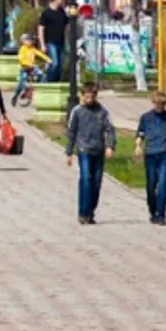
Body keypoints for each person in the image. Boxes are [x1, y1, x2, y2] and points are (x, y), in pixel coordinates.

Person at [65, 81, 117, 224]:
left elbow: (110, 129)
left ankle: (90, 212)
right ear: (82, 96)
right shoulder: (77, 111)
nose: (89, 99)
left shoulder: (102, 111)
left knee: (96, 181)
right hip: (83, 149)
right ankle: (83, 212)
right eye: (86, 96)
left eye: (92, 96)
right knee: (86, 179)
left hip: (98, 149)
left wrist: (110, 146)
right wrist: (69, 152)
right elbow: (71, 131)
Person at [137, 91, 166, 225]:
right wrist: (138, 145)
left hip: (164, 153)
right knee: (151, 184)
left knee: (162, 183)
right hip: (150, 153)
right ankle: (152, 209)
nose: (160, 107)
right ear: (153, 103)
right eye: (158, 104)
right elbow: (140, 133)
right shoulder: (146, 117)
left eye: (162, 104)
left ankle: (161, 214)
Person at [39, 0, 72, 83]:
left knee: (60, 65)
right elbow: (41, 28)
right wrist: (42, 44)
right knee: (54, 63)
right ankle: (47, 81)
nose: (62, 1)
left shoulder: (62, 12)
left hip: (61, 41)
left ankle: (56, 83)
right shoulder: (46, 13)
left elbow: (67, 25)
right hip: (50, 41)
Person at [12, 35, 50, 107]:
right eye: (28, 40)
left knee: (42, 75)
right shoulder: (22, 49)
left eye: (31, 40)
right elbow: (21, 59)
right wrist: (27, 64)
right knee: (22, 82)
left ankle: (42, 89)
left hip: (32, 68)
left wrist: (48, 60)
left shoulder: (32, 49)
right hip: (24, 68)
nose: (30, 42)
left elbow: (40, 54)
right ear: (23, 41)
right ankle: (15, 96)